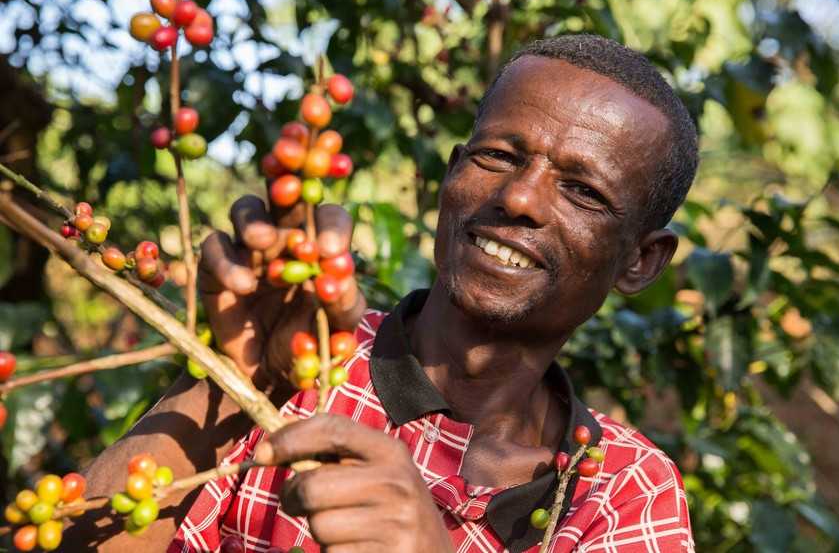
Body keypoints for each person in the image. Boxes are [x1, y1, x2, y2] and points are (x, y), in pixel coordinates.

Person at [64, 34, 699, 552]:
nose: (520, 198)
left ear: (641, 261)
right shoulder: (309, 362)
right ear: (453, 174)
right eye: (500, 156)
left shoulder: (620, 490)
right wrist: (233, 380)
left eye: (583, 193)